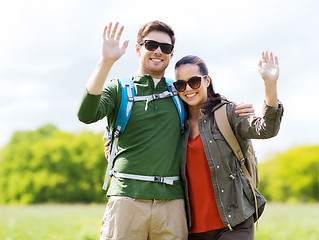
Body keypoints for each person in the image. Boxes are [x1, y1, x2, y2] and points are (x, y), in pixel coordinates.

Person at [78, 20, 255, 240]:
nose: (158, 51)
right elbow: (86, 114)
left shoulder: (179, 91)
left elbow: (205, 103)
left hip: (172, 204)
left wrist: (235, 108)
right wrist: (105, 62)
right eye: (151, 44)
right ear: (138, 48)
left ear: (171, 54)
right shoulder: (119, 88)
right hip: (126, 199)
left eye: (166, 47)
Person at [173, 53, 283, 240]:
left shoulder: (228, 112)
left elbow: (266, 129)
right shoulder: (175, 124)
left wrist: (269, 84)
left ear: (207, 80)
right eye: (181, 85)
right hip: (191, 230)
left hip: (235, 224)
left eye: (194, 81)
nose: (188, 89)